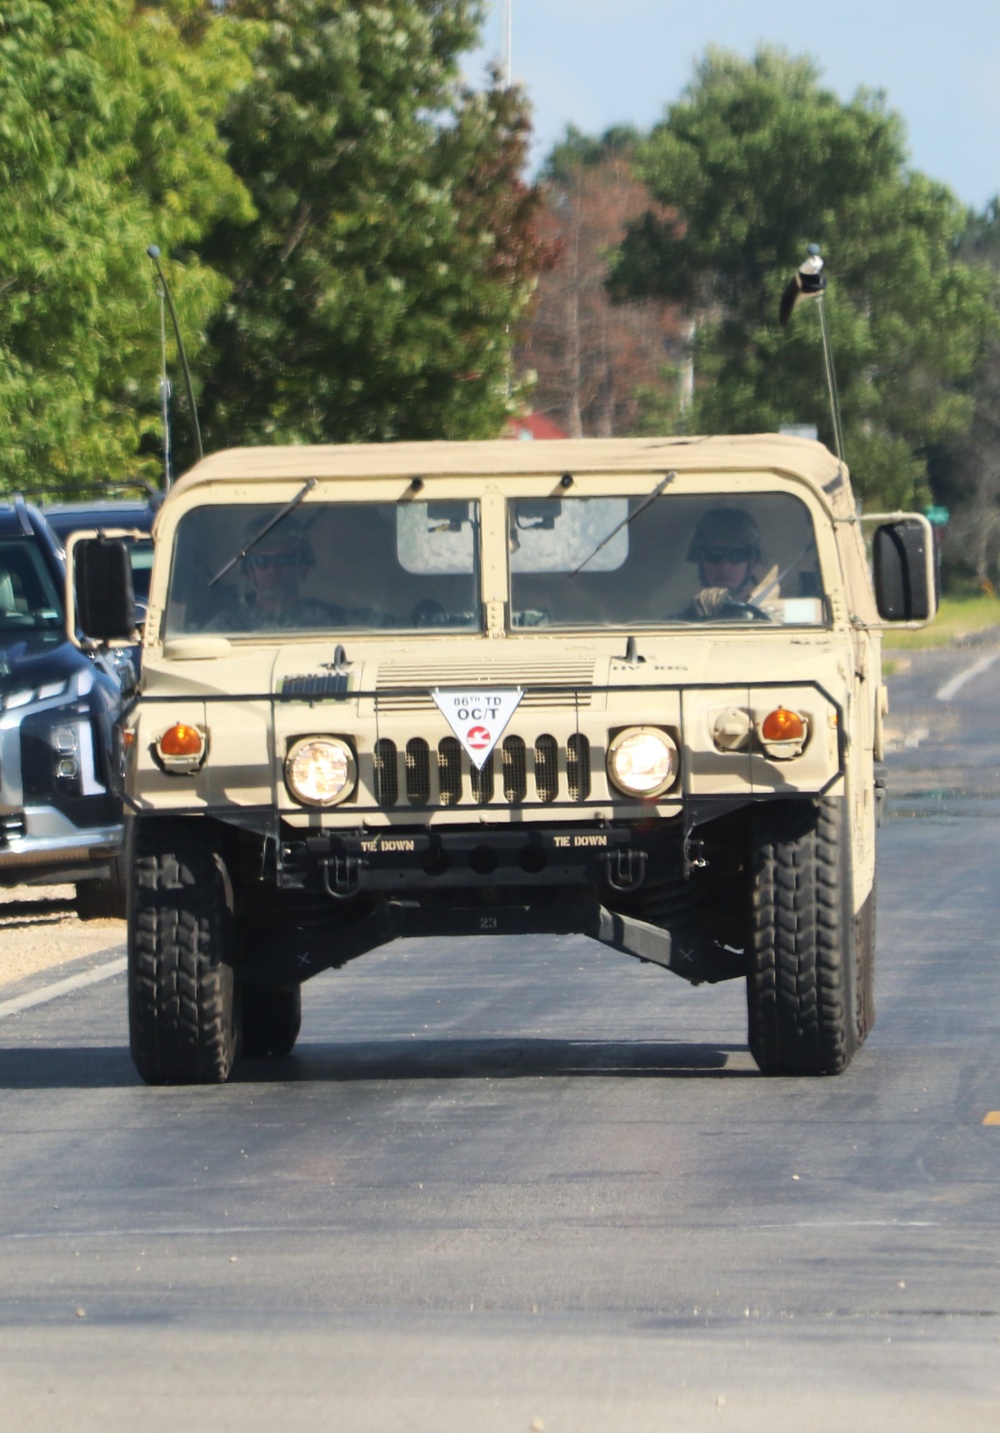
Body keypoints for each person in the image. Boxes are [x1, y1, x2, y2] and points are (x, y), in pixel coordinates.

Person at [205, 518, 341, 632]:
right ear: (249, 572)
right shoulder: (227, 626)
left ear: (302, 569)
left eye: (283, 561)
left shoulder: (330, 621)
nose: (272, 570)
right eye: (261, 562)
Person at [679, 507, 764, 621]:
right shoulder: (679, 624)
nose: (725, 567)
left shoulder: (771, 618)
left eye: (736, 556)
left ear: (753, 561)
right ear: (700, 560)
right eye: (713, 555)